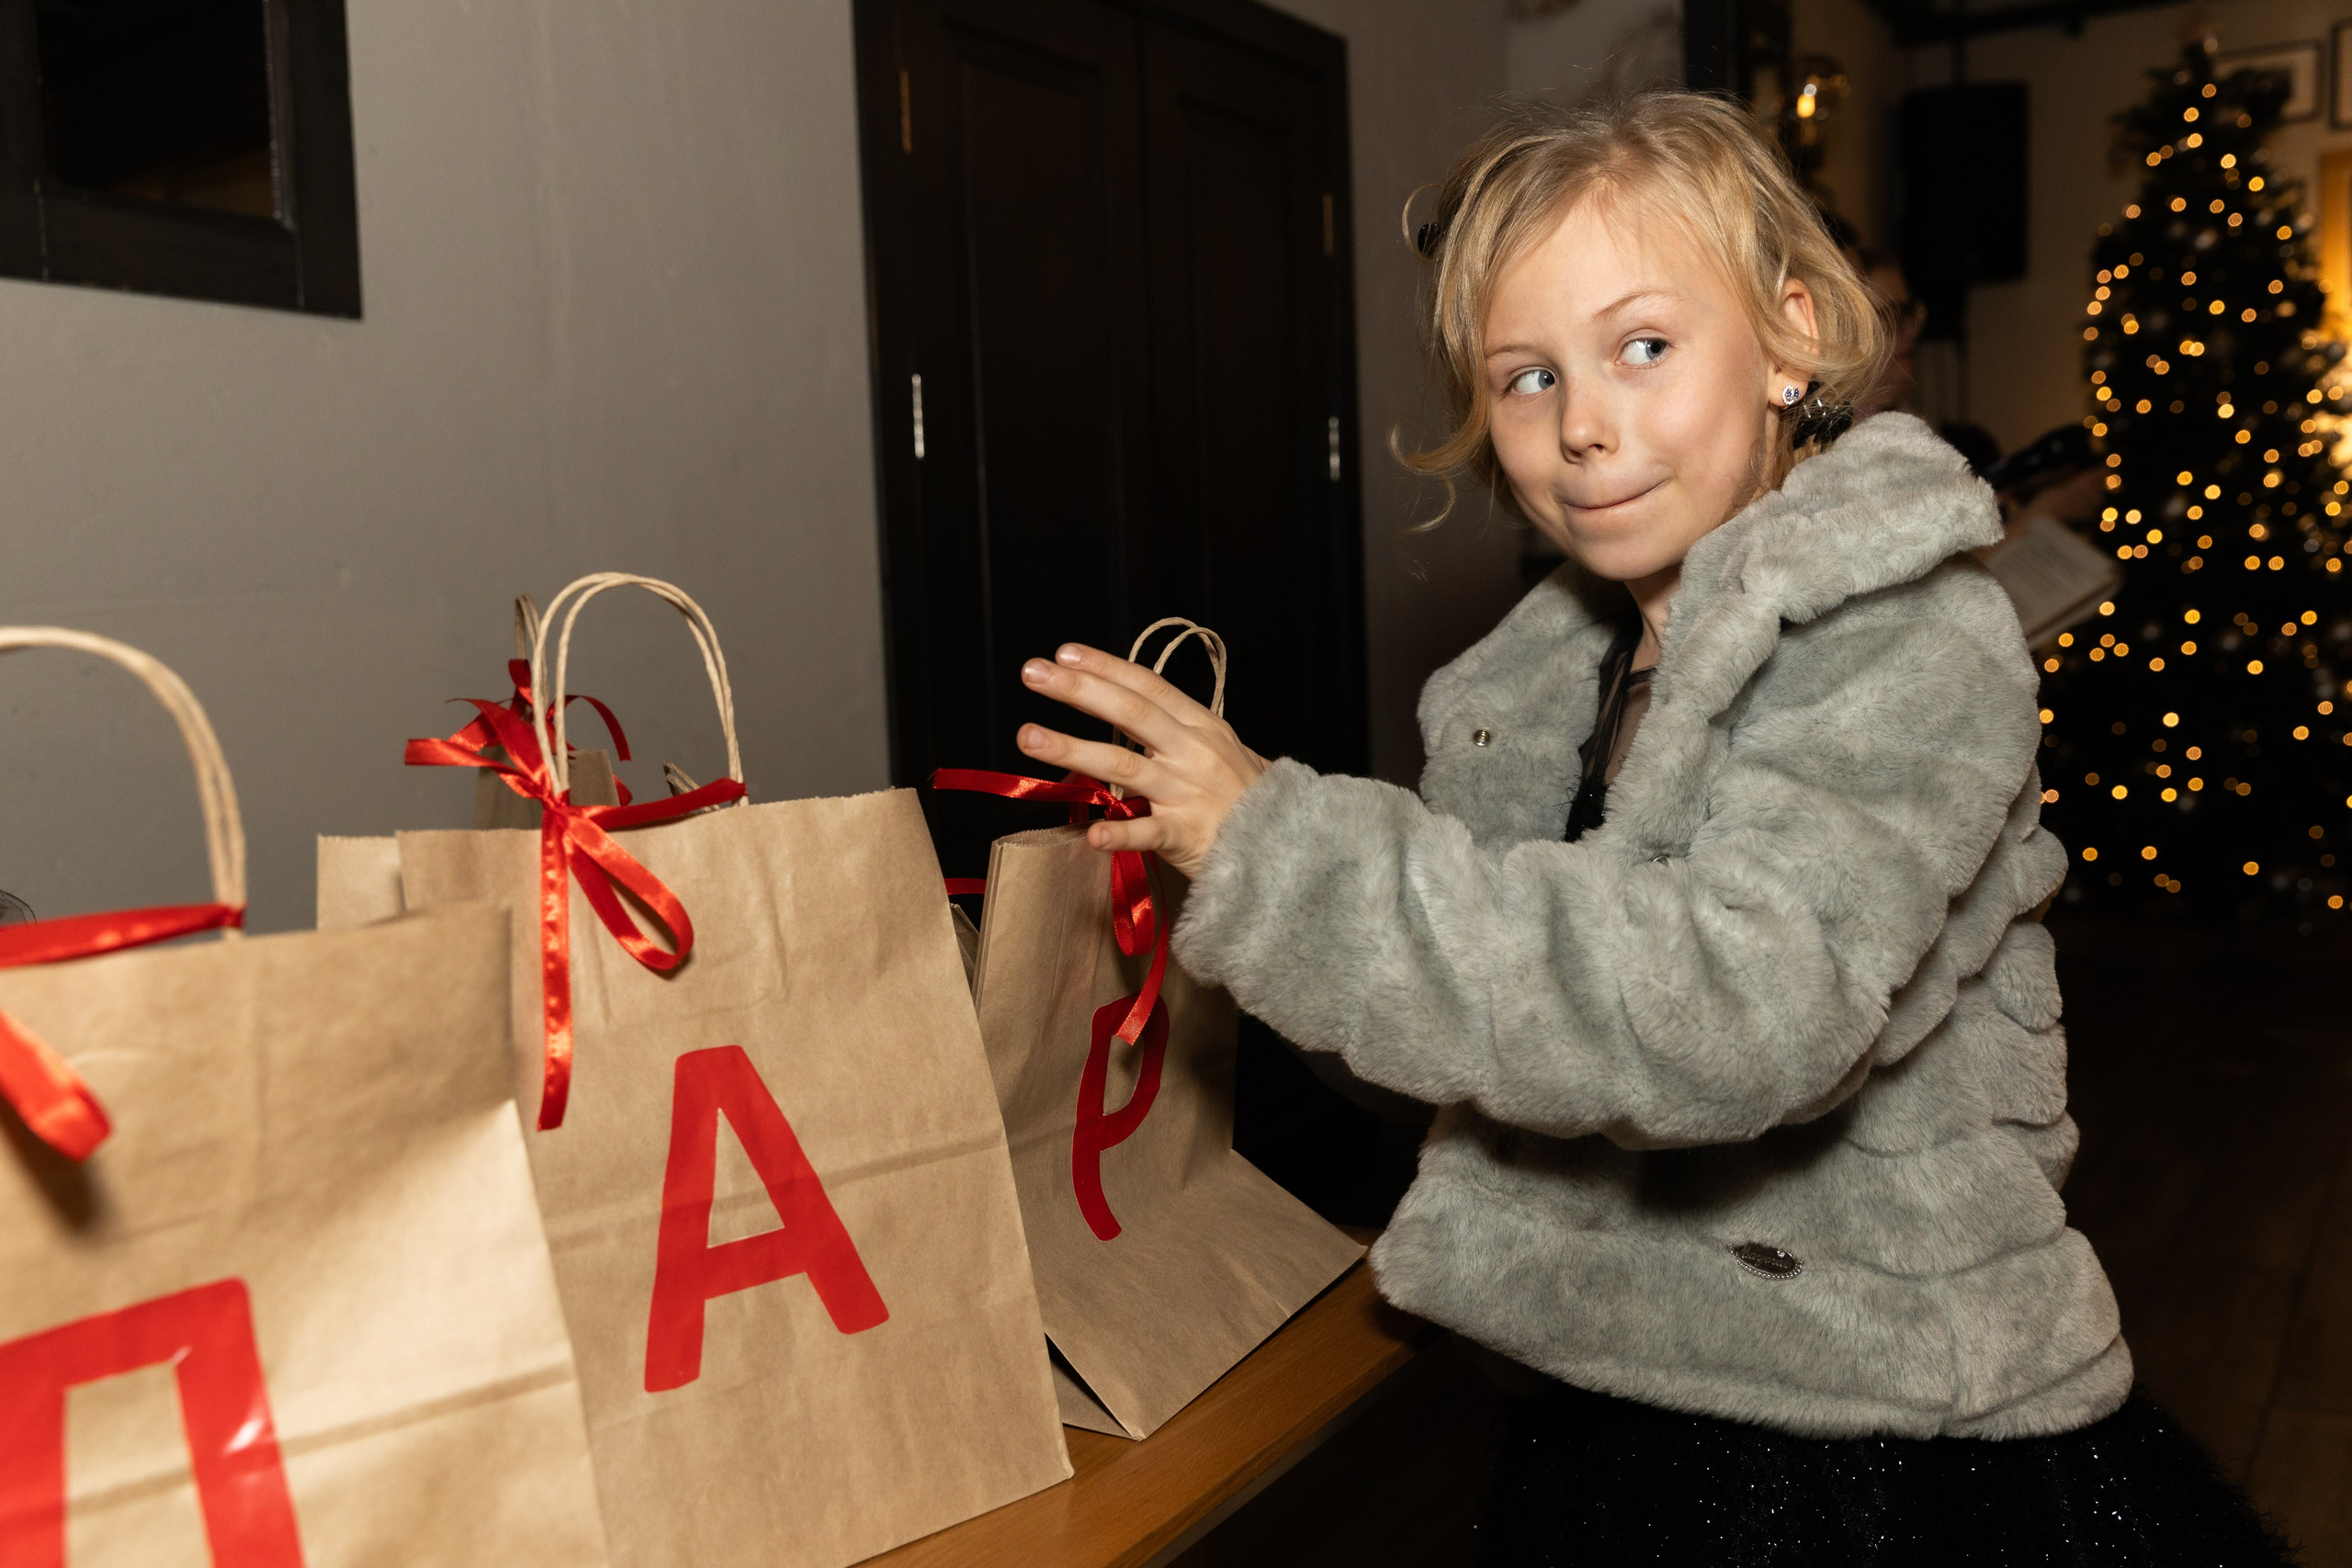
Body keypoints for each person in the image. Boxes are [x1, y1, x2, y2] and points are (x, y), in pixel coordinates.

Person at [1011, 94, 2290, 1563]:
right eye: (1527, 376)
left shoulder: (1910, 639)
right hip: (1620, 1376)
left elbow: (1737, 1014)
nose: (1585, 424)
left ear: (1791, 336)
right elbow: (1488, 1047)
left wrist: (1290, 860)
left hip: (1866, 1432)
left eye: (1643, 347)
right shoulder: (1537, 682)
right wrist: (1221, 892)